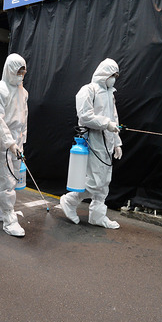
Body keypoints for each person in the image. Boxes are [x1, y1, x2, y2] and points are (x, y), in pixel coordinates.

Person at [59, 58, 123, 229]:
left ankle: (97, 216)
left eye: (116, 75)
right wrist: (106, 123)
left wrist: (117, 142)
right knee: (95, 181)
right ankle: (70, 200)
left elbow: (114, 119)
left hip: (107, 143)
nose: (114, 78)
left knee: (105, 181)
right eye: (112, 75)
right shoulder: (88, 90)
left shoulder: (110, 94)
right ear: (104, 73)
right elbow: (85, 116)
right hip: (93, 141)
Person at [0, 54, 28, 237]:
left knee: (14, 178)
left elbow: (24, 118)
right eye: (18, 71)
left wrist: (21, 140)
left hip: (17, 141)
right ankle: (9, 218)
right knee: (5, 181)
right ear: (9, 69)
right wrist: (9, 142)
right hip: (1, 142)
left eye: (23, 71)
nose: (21, 74)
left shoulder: (23, 92)